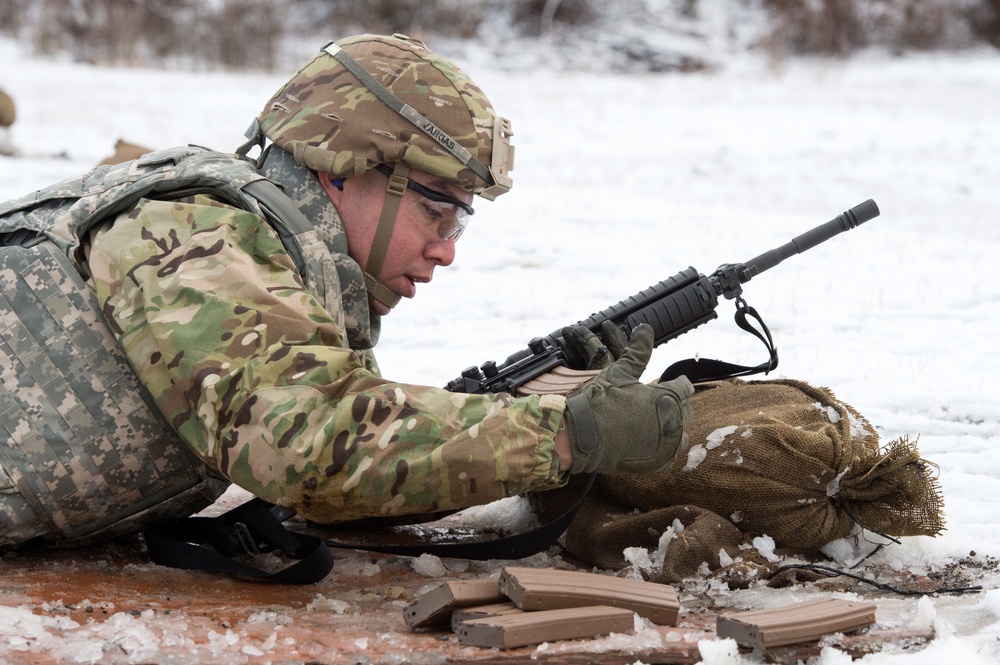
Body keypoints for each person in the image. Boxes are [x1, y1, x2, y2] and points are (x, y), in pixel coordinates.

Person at [0, 34, 693, 548]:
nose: (446, 249)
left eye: (460, 221)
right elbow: (316, 448)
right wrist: (567, 436)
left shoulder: (289, 269)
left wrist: (546, 396)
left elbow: (356, 472)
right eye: (435, 210)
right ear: (345, 168)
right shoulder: (195, 231)